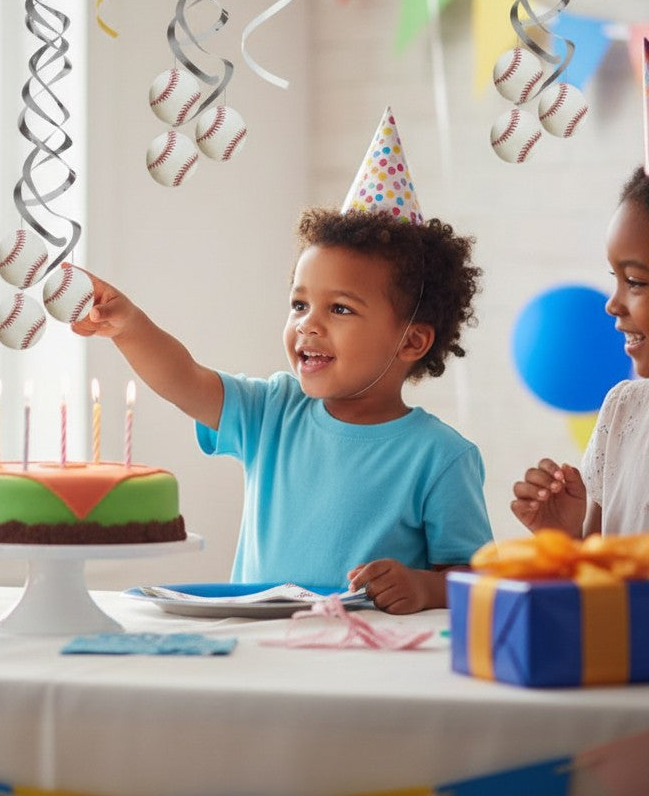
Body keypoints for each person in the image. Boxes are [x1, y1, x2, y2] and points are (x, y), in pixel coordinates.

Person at [71, 207, 493, 614]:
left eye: (340, 308)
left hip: (361, 649)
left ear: (411, 342)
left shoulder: (442, 456)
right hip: (256, 643)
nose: (307, 324)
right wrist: (130, 327)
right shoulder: (272, 410)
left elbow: (481, 580)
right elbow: (185, 379)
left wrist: (425, 587)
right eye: (299, 304)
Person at [511, 165, 649, 538]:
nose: (612, 304)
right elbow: (597, 568)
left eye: (635, 281)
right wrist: (565, 537)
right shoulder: (623, 410)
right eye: (615, 279)